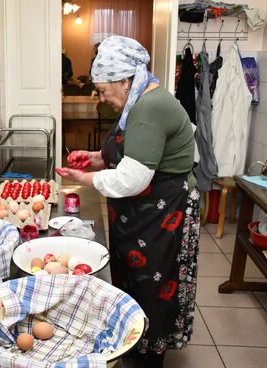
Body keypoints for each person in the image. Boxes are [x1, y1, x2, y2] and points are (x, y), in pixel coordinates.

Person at [56, 36, 199, 368]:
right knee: (134, 277)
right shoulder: (137, 103)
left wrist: (84, 180)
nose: (103, 98)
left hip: (163, 214)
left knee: (154, 282)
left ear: (125, 80)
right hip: (142, 214)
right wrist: (93, 158)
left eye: (105, 90)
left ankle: (149, 353)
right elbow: (132, 153)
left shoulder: (150, 107)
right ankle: (134, 339)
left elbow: (132, 178)